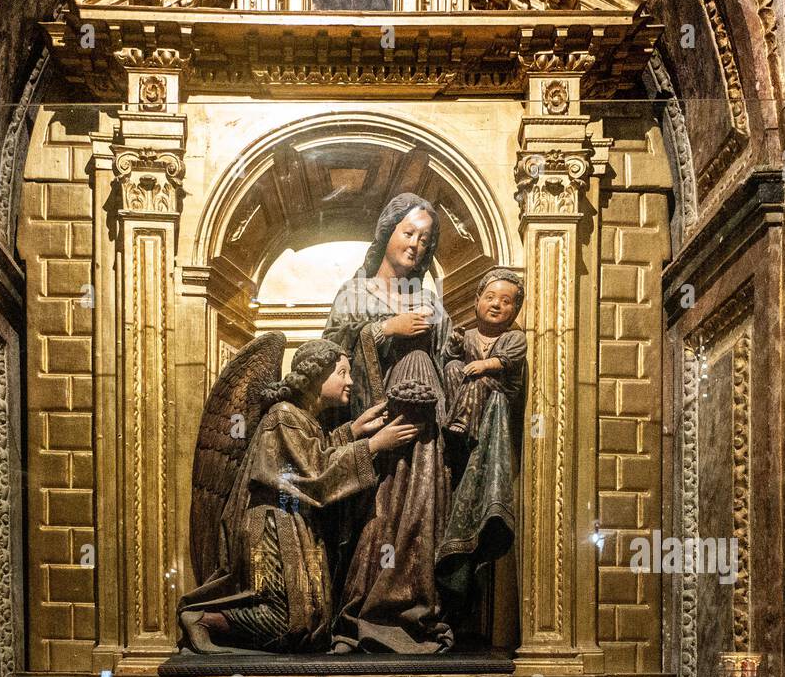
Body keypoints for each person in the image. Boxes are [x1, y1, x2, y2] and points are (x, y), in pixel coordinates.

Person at [178, 340, 417, 653]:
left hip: (292, 523)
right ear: (317, 375)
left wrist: (353, 432)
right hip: (273, 529)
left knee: (312, 626)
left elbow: (309, 456)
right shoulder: (283, 415)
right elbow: (313, 474)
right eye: (342, 373)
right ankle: (204, 619)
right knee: (292, 622)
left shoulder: (300, 418)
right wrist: (373, 445)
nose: (350, 381)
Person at [323, 193, 455, 653]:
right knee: (375, 519)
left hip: (422, 436)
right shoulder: (354, 293)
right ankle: (363, 613)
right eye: (408, 232)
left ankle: (415, 615)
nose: (415, 244)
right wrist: (384, 331)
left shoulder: (427, 297)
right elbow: (329, 358)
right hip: (373, 423)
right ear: (388, 232)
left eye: (425, 238)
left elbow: (447, 360)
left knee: (419, 515)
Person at [438, 269, 527, 631]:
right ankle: (455, 430)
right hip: (460, 421)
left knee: (477, 378)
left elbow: (506, 364)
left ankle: (462, 429)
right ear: (475, 301)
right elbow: (448, 359)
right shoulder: (467, 335)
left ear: (516, 310)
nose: (497, 305)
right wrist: (456, 353)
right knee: (457, 370)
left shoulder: (513, 339)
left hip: (491, 420)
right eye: (491, 297)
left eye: (507, 301)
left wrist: (483, 365)